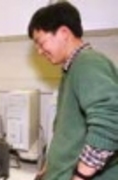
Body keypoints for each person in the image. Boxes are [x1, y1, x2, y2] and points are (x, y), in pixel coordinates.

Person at [28, 2, 118, 180]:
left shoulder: (88, 64)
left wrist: (81, 176)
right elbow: (68, 132)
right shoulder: (72, 69)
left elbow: (110, 121)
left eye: (41, 42)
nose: (39, 51)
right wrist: (48, 168)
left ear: (63, 33)